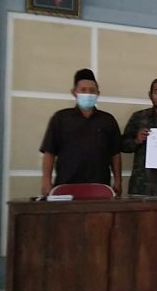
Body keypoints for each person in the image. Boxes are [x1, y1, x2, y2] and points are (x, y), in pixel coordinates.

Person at [40, 68, 122, 196]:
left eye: (92, 90)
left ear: (98, 94)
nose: (88, 93)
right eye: (83, 90)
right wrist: (46, 181)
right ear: (74, 92)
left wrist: (118, 180)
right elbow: (49, 151)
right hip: (66, 184)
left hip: (99, 186)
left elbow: (115, 154)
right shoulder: (60, 118)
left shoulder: (108, 120)